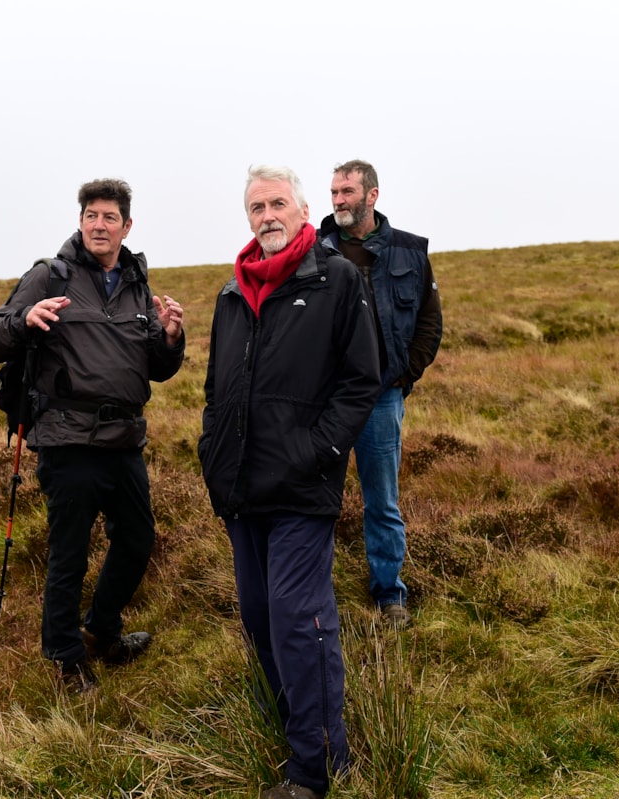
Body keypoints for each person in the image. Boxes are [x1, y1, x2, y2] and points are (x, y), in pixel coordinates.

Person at [199, 166, 380, 799]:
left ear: (304, 212)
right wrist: (210, 452)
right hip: (241, 489)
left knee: (298, 618)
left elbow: (362, 380)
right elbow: (217, 389)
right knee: (259, 617)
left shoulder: (336, 280)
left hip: (302, 486)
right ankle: (294, 730)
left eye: (278, 203)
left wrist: (319, 449)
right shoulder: (232, 292)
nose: (267, 214)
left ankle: (319, 766)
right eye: (256, 206)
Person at [0, 178, 185, 695]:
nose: (99, 224)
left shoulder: (138, 283)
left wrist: (172, 338)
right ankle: (66, 658)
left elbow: (157, 368)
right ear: (80, 221)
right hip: (67, 438)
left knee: (136, 541)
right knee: (69, 553)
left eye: (110, 216)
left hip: (124, 439)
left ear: (126, 226)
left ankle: (101, 630)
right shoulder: (52, 274)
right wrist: (25, 319)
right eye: (91, 214)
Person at [318, 159, 442, 629]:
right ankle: (313, 592)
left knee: (382, 502)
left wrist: (402, 374)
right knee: (315, 498)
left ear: (372, 195)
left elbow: (430, 322)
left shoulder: (410, 252)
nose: (338, 200)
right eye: (333, 192)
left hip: (381, 400)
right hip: (325, 400)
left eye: (347, 191)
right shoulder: (314, 250)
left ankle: (390, 595)